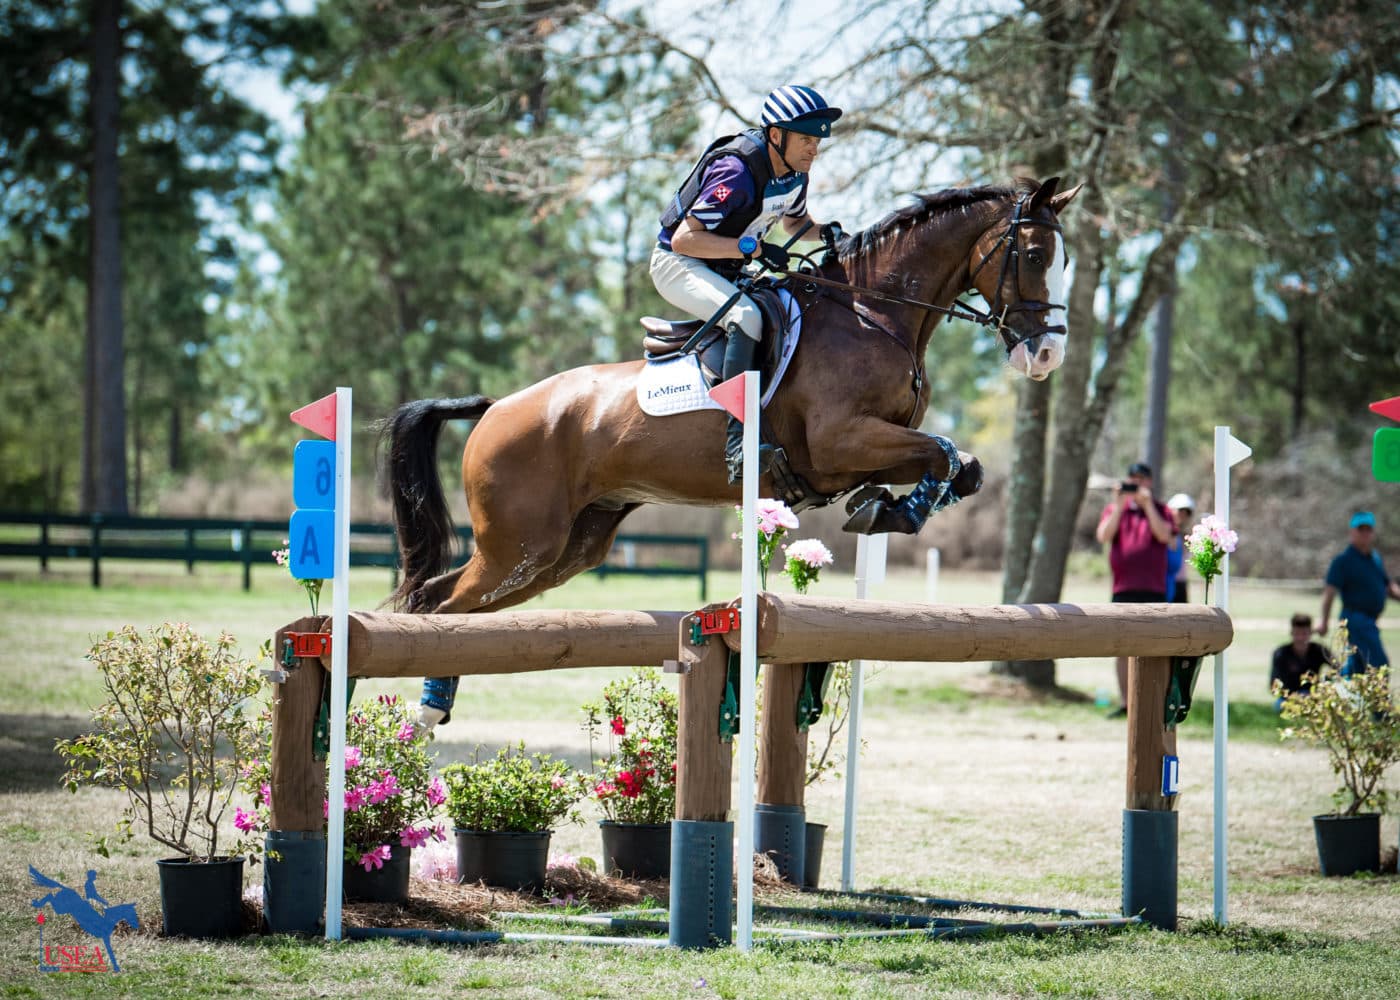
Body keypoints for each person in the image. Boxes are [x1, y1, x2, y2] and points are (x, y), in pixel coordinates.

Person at [650, 84, 845, 484]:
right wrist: (750, 249)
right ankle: (738, 437)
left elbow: (795, 224)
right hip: (677, 263)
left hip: (723, 266)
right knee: (746, 317)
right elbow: (686, 238)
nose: (814, 149)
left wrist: (831, 234)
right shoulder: (737, 171)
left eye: (817, 140)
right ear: (776, 135)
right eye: (806, 139)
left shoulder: (794, 175)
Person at [1095, 461, 1174, 717]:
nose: (1137, 482)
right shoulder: (1115, 509)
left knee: (1156, 647)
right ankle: (1126, 703)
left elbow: (1164, 536)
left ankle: (1154, 704)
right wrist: (1119, 506)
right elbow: (1103, 536)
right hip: (1123, 589)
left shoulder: (1162, 509)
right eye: (1132, 478)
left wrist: (1148, 505)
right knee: (1122, 648)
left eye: (1142, 479)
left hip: (1153, 590)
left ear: (1149, 482)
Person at [1317, 511, 1400, 676]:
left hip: (1370, 620)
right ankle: (1377, 701)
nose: (1364, 533)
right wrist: (1324, 621)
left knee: (1357, 667)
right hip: (1355, 619)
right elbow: (1329, 593)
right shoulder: (1343, 561)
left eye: (1368, 529)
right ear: (1352, 532)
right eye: (1360, 529)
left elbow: (1388, 586)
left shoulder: (1375, 558)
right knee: (1379, 665)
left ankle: (1336, 691)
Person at [1270, 613, 1331, 711]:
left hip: (1314, 697)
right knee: (1279, 707)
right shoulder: (1281, 653)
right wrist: (1294, 697)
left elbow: (1339, 668)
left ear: (1310, 633)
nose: (1300, 638)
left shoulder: (1319, 650)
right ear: (1291, 633)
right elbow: (1273, 685)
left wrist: (1325, 686)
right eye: (1297, 633)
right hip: (1288, 698)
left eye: (1304, 634)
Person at [1164, 493, 1195, 603]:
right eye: (1180, 511)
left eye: (1187, 513)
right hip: (1165, 583)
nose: (1182, 515)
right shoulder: (1163, 533)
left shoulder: (1185, 537)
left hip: (1181, 584)